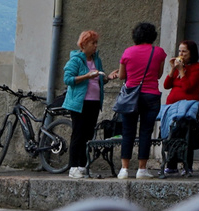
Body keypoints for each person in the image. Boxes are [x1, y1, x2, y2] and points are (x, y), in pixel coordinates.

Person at [107, 21, 165, 179]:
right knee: (146, 132)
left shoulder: (128, 52)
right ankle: (142, 169)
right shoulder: (159, 52)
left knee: (128, 132)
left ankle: (124, 169)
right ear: (153, 36)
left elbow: (122, 76)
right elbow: (158, 75)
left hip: (130, 95)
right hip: (151, 95)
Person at [61, 30, 105, 179]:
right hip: (79, 103)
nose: (95, 46)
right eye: (93, 43)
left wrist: (108, 77)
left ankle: (83, 166)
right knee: (78, 134)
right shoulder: (76, 60)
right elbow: (68, 79)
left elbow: (99, 77)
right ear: (84, 44)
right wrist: (87, 75)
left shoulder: (96, 60)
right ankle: (73, 167)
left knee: (88, 135)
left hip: (94, 102)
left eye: (96, 43)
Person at [159, 40, 199, 176]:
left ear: (191, 53)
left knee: (185, 134)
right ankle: (171, 165)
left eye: (184, 51)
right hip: (172, 106)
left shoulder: (197, 67)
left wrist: (181, 71)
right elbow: (166, 85)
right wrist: (173, 69)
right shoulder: (179, 68)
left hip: (187, 106)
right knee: (171, 134)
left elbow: (188, 87)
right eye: (180, 51)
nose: (181, 54)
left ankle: (186, 165)